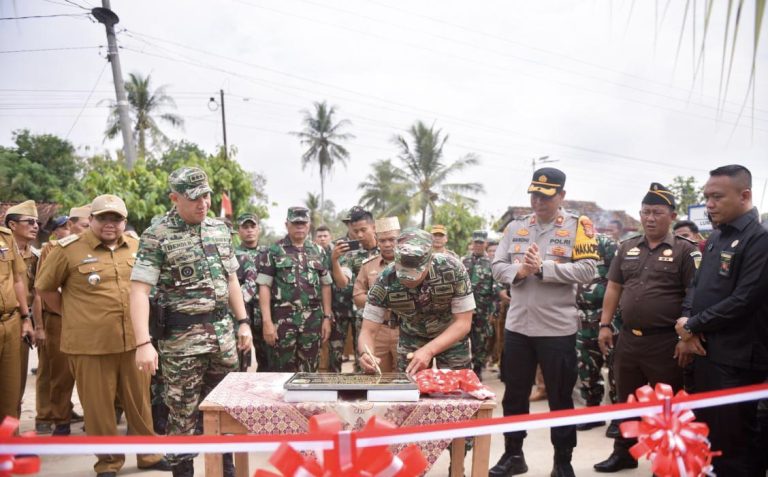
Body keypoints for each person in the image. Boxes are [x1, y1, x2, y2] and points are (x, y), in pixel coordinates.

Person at [36, 195, 171, 477]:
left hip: (134, 342)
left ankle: (148, 455)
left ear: (124, 221)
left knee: (139, 402)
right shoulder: (67, 250)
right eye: (103, 218)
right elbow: (46, 290)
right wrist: (73, 315)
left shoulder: (137, 247)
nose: (110, 224)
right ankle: (108, 462)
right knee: (98, 408)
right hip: (90, 345)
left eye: (116, 219)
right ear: (92, 220)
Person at [131, 167, 252, 477]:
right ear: (175, 198)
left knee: (224, 411)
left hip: (222, 338)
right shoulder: (156, 235)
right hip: (182, 343)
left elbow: (232, 279)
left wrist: (243, 322)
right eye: (195, 198)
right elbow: (139, 290)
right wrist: (143, 343)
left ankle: (226, 470)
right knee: (181, 416)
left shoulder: (219, 229)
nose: (203, 203)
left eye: (207, 195)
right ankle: (183, 472)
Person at [490, 167, 598, 477]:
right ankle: (513, 455)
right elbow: (497, 266)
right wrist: (519, 272)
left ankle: (562, 461)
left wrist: (543, 269)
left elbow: (588, 271)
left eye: (546, 196)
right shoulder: (516, 227)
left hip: (556, 329)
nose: (538, 201)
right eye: (535, 195)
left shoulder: (580, 227)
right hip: (518, 328)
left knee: (561, 397)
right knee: (513, 395)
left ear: (562, 196)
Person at [593, 183, 698, 473]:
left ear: (672, 215)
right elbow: (614, 286)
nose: (650, 218)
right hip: (628, 340)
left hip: (666, 343)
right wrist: (605, 324)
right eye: (645, 212)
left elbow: (695, 295)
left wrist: (686, 338)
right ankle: (625, 454)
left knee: (668, 405)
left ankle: (667, 461)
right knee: (626, 401)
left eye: (657, 212)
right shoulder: (627, 247)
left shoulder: (685, 252)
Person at [674, 165, 768, 476]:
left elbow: (745, 299)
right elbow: (697, 286)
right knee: (709, 438)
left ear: (745, 196)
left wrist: (693, 325)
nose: (709, 205)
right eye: (706, 197)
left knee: (736, 445)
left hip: (738, 362)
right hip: (706, 355)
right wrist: (687, 321)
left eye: (717, 197)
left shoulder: (759, 240)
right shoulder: (715, 238)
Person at [359, 227, 474, 375]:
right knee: (408, 390)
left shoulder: (453, 270)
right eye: (403, 272)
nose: (408, 279)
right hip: (411, 339)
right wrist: (365, 353)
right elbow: (368, 330)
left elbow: (463, 323)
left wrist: (428, 350)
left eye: (414, 273)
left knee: (458, 388)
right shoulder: (385, 281)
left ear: (429, 261)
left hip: (451, 337)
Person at [33, 205, 90, 436]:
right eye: (84, 225)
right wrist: (64, 314)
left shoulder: (103, 249)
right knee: (60, 374)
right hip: (61, 319)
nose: (88, 229)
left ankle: (95, 420)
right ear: (70, 225)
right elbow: (44, 288)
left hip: (92, 323)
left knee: (91, 376)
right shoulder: (55, 248)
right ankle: (60, 420)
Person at [257, 206, 332, 372]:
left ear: (309, 225)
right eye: (295, 223)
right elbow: (264, 287)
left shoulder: (319, 251)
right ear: (287, 224)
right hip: (283, 321)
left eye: (303, 223)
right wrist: (267, 322)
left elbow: (326, 285)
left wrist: (327, 317)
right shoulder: (273, 251)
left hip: (313, 321)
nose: (299, 226)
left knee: (310, 372)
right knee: (280, 372)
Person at [574, 232, 619, 432]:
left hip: (608, 322)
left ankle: (619, 418)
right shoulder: (569, 243)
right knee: (586, 369)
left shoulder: (606, 244)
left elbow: (618, 279)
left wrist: (607, 322)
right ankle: (593, 412)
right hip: (581, 322)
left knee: (615, 370)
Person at [330, 206, 379, 371]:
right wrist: (335, 260)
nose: (359, 235)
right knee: (363, 360)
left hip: (385, 319)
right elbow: (343, 282)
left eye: (363, 230)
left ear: (374, 227)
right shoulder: (351, 254)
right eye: (355, 230)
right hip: (361, 315)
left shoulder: (386, 249)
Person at [4, 200, 40, 419]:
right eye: (29, 222)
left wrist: (33, 323)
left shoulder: (35, 256)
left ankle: (11, 439)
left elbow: (37, 292)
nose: (35, 226)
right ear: (12, 225)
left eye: (37, 222)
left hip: (18, 318)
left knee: (14, 384)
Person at [352, 216, 401, 372]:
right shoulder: (368, 266)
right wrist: (384, 301)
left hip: (405, 331)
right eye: (382, 240)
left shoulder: (411, 263)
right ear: (377, 240)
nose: (387, 244)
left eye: (392, 239)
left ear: (399, 239)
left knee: (408, 380)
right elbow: (358, 297)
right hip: (377, 330)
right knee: (377, 378)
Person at [0, 215, 32, 422]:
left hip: (11, 321)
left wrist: (26, 318)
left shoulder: (5, 238)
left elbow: (18, 279)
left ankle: (10, 447)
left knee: (11, 393)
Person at [234, 213, 268, 372]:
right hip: (242, 314)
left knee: (268, 362)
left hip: (265, 313)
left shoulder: (269, 254)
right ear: (238, 231)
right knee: (240, 361)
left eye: (252, 226)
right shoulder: (233, 255)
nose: (249, 230)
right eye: (245, 227)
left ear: (259, 229)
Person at [462, 230, 495, 379]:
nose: (478, 245)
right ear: (472, 243)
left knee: (480, 340)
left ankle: (478, 368)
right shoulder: (464, 261)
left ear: (485, 244)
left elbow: (496, 288)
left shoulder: (491, 264)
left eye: (481, 243)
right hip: (464, 309)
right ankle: (464, 368)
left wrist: (493, 312)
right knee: (462, 338)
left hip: (483, 308)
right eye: (476, 242)